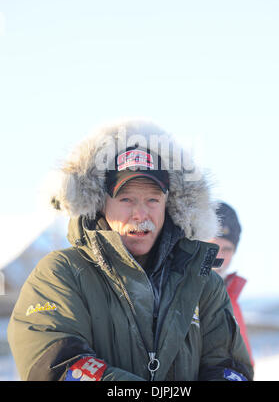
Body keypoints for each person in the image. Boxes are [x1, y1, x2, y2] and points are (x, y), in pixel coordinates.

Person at [7, 119, 253, 381]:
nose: (140, 213)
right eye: (126, 199)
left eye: (152, 200)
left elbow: (231, 367)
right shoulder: (60, 274)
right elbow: (54, 363)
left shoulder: (204, 285)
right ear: (102, 204)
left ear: (169, 205)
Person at [210, 202, 254, 366]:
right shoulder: (182, 293)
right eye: (213, 246)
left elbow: (246, 363)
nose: (218, 257)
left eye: (226, 249)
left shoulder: (231, 296)